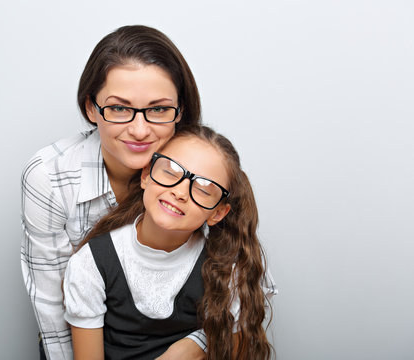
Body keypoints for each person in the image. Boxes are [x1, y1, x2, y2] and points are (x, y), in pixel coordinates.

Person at [21, 25, 204, 359]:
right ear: (92, 108)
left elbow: (245, 287)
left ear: (180, 111)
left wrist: (195, 347)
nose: (139, 129)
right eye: (119, 108)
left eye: (158, 109)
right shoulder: (49, 176)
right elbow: (51, 314)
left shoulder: (202, 169)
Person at [64, 126, 278, 360]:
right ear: (146, 175)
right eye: (171, 172)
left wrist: (197, 345)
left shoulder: (227, 266)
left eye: (204, 189)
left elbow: (238, 352)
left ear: (217, 213)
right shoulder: (91, 263)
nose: (180, 192)